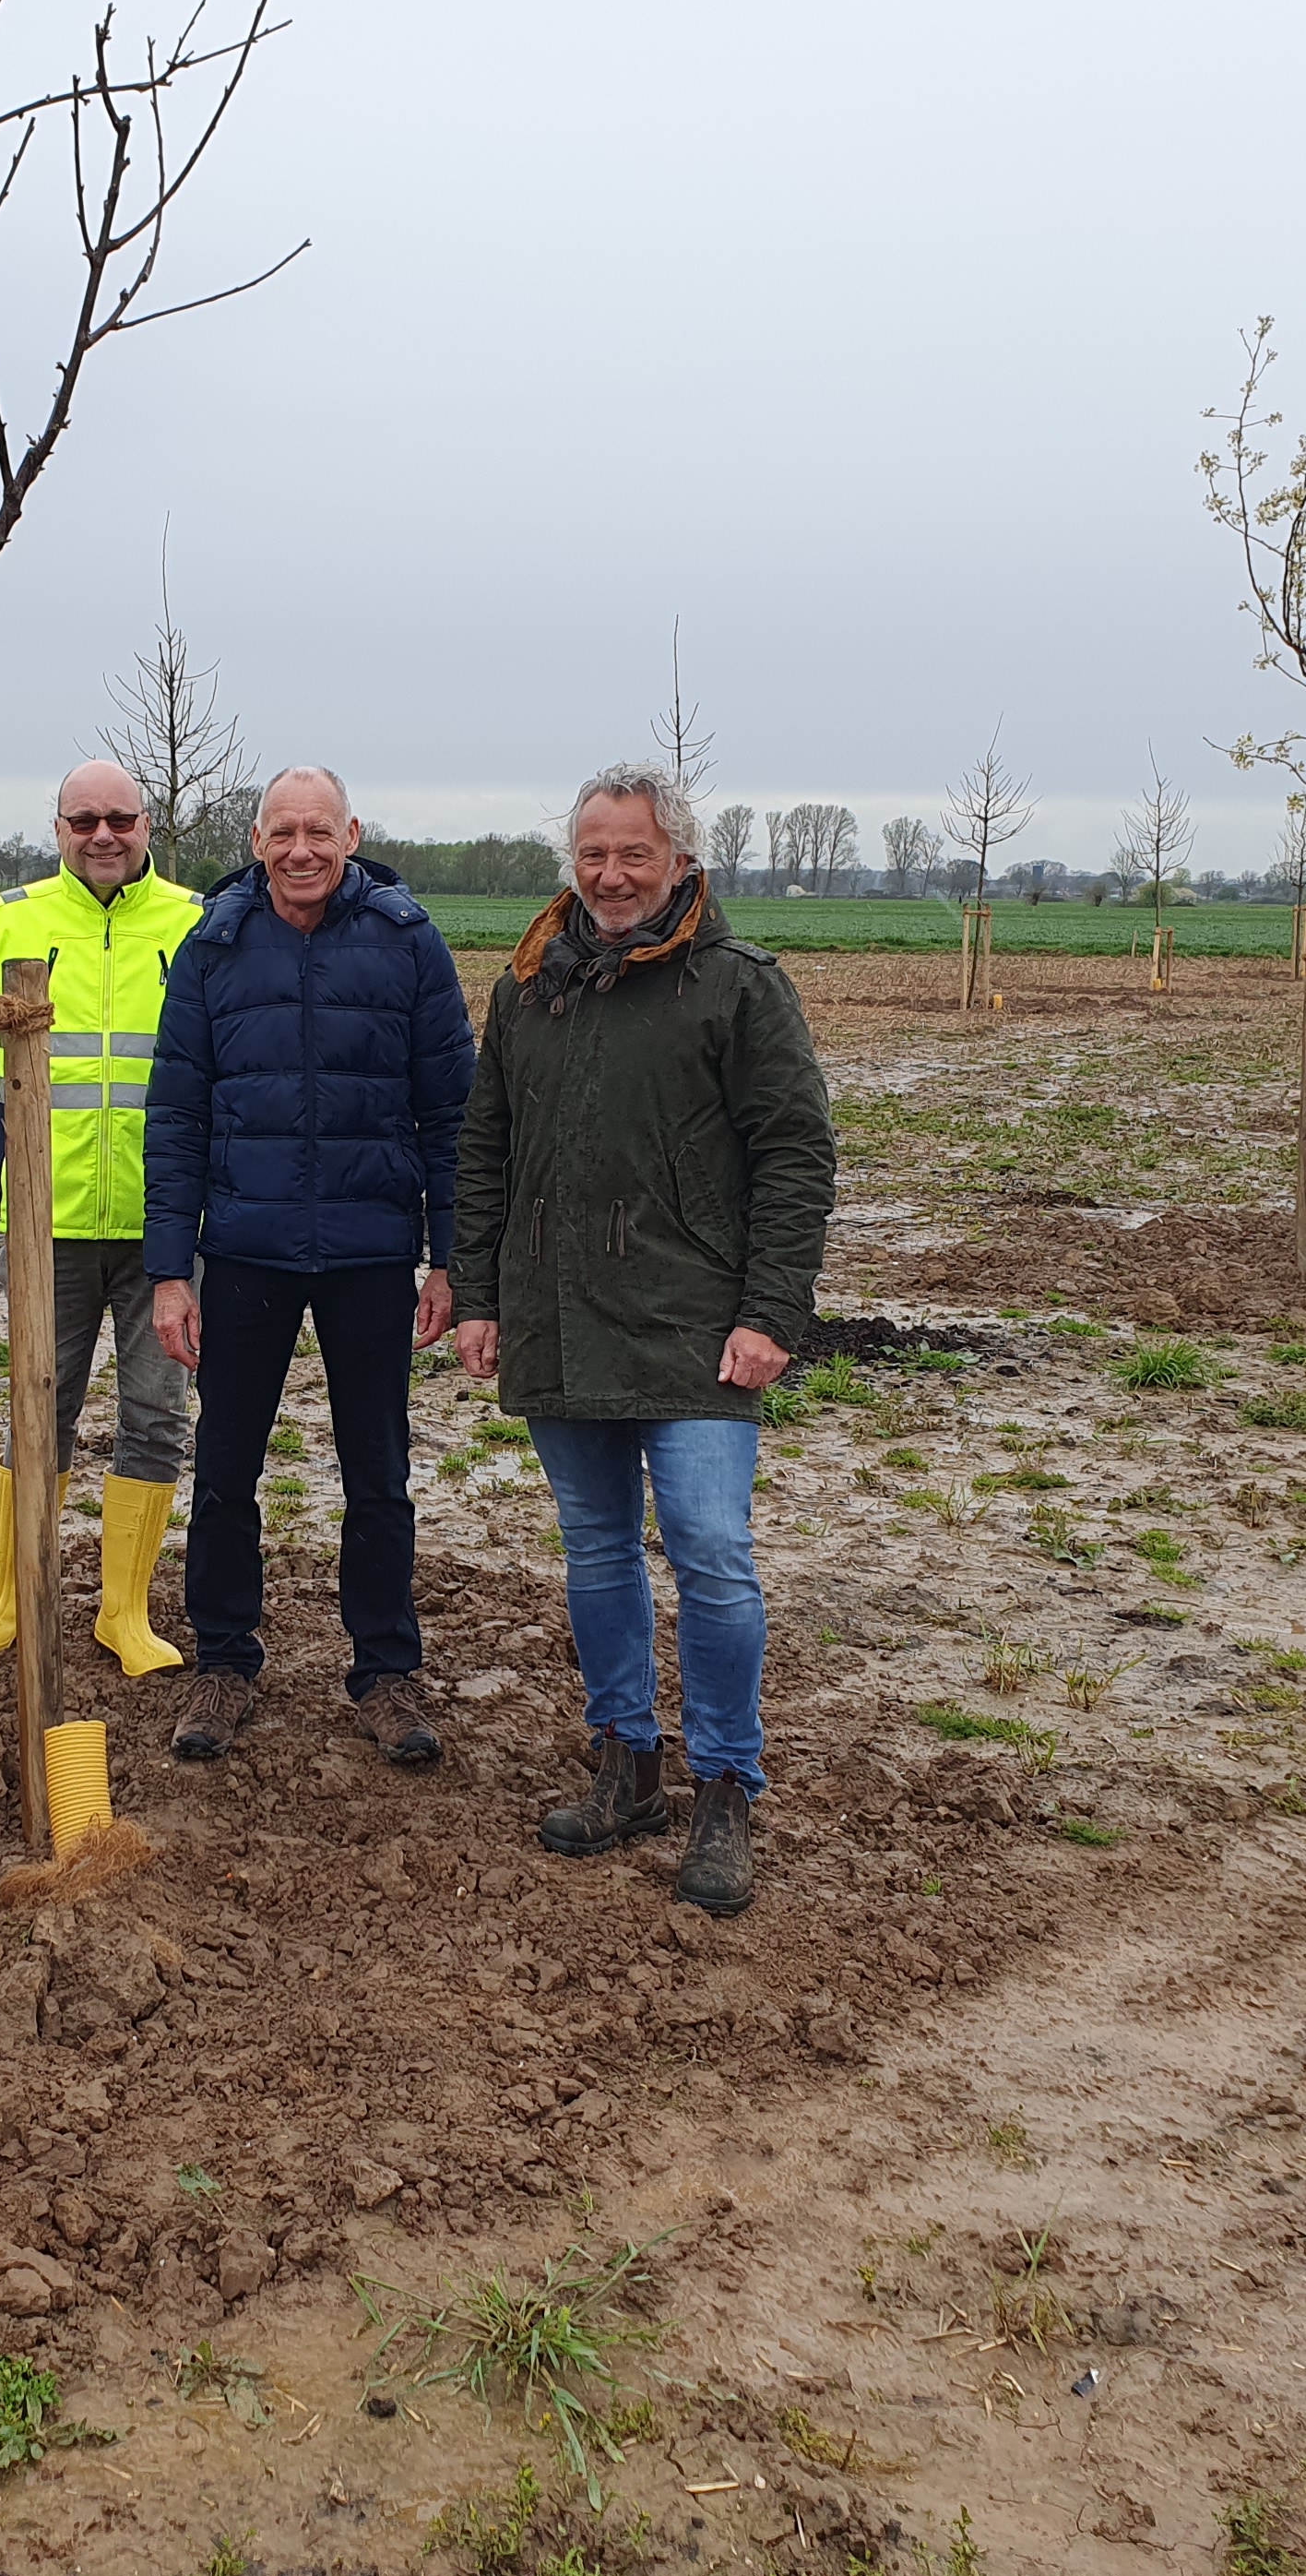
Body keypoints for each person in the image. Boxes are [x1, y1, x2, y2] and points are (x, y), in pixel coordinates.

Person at [450, 764, 836, 1916]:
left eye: (634, 855)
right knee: (597, 1549)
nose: (611, 876)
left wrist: (772, 1312)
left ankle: (726, 1786)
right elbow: (485, 1153)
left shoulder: (739, 988)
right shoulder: (528, 989)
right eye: (593, 854)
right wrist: (480, 1294)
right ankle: (625, 1762)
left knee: (712, 1554)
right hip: (560, 1317)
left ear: (679, 862)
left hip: (697, 1325)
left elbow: (795, 1157)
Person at [142, 766, 477, 1768]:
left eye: (318, 832)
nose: (300, 851)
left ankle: (385, 1671)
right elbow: (177, 1117)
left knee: (378, 1471)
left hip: (372, 1253)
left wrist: (449, 1258)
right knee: (225, 1470)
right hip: (244, 1249)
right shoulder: (212, 946)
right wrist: (171, 1271)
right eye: (282, 832)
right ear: (256, 841)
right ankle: (224, 1665)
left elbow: (453, 1112)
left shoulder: (407, 940)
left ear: (351, 834)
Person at [0, 760, 203, 1675]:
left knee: (157, 1417)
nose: (104, 835)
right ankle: (12, 1595)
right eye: (85, 820)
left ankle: (126, 1614)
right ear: (58, 828)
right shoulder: (6, 923)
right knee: (40, 1412)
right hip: (44, 1227)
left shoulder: (197, 926)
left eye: (120, 818)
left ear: (148, 825)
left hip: (169, 1233)